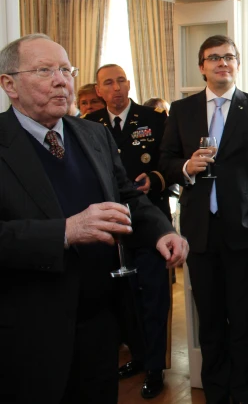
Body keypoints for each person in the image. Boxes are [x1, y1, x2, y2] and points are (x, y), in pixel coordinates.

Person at [0, 34, 188, 404]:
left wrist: (161, 231)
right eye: (44, 71)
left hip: (101, 325)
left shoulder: (94, 134)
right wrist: (66, 231)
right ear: (10, 85)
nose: (61, 80)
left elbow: (128, 196)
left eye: (66, 70)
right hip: (29, 330)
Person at [160, 34, 248, 404]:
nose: (222, 63)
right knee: (209, 319)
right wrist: (186, 168)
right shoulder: (182, 109)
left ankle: (242, 394)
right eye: (214, 58)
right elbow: (166, 160)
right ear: (201, 66)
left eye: (229, 57)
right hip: (198, 231)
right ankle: (216, 393)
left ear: (237, 64)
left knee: (242, 319)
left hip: (243, 228)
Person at [84, 63, 171, 398]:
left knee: (153, 298)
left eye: (122, 80)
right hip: (111, 229)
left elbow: (170, 163)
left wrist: (157, 180)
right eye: (109, 82)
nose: (117, 87)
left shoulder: (153, 120)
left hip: (149, 225)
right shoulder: (88, 125)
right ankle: (136, 355)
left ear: (130, 84)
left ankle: (155, 367)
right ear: (99, 90)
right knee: (125, 299)